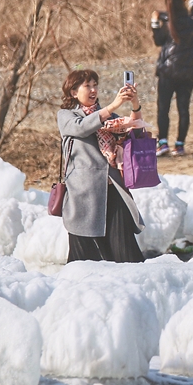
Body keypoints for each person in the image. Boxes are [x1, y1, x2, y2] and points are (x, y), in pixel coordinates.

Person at [57, 69, 145, 263]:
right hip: (83, 193)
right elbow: (81, 127)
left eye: (95, 85)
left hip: (112, 188)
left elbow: (136, 131)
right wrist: (113, 105)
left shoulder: (108, 116)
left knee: (125, 251)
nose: (93, 89)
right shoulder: (66, 115)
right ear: (73, 92)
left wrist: (134, 103)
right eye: (87, 86)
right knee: (83, 257)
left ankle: (133, 288)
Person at [151, 0, 193, 156]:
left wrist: (154, 22)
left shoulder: (168, 23)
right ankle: (180, 145)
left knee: (163, 108)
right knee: (183, 109)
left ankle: (163, 142)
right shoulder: (191, 21)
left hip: (168, 73)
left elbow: (158, 40)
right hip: (188, 73)